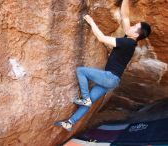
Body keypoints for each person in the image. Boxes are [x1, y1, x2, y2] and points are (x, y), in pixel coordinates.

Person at [54, 0, 151, 132]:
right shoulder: (130, 41)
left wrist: (91, 21)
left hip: (109, 77)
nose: (131, 26)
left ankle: (85, 97)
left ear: (136, 34)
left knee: (81, 71)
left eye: (135, 27)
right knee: (90, 101)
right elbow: (125, 16)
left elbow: (102, 38)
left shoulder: (126, 43)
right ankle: (70, 122)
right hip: (112, 81)